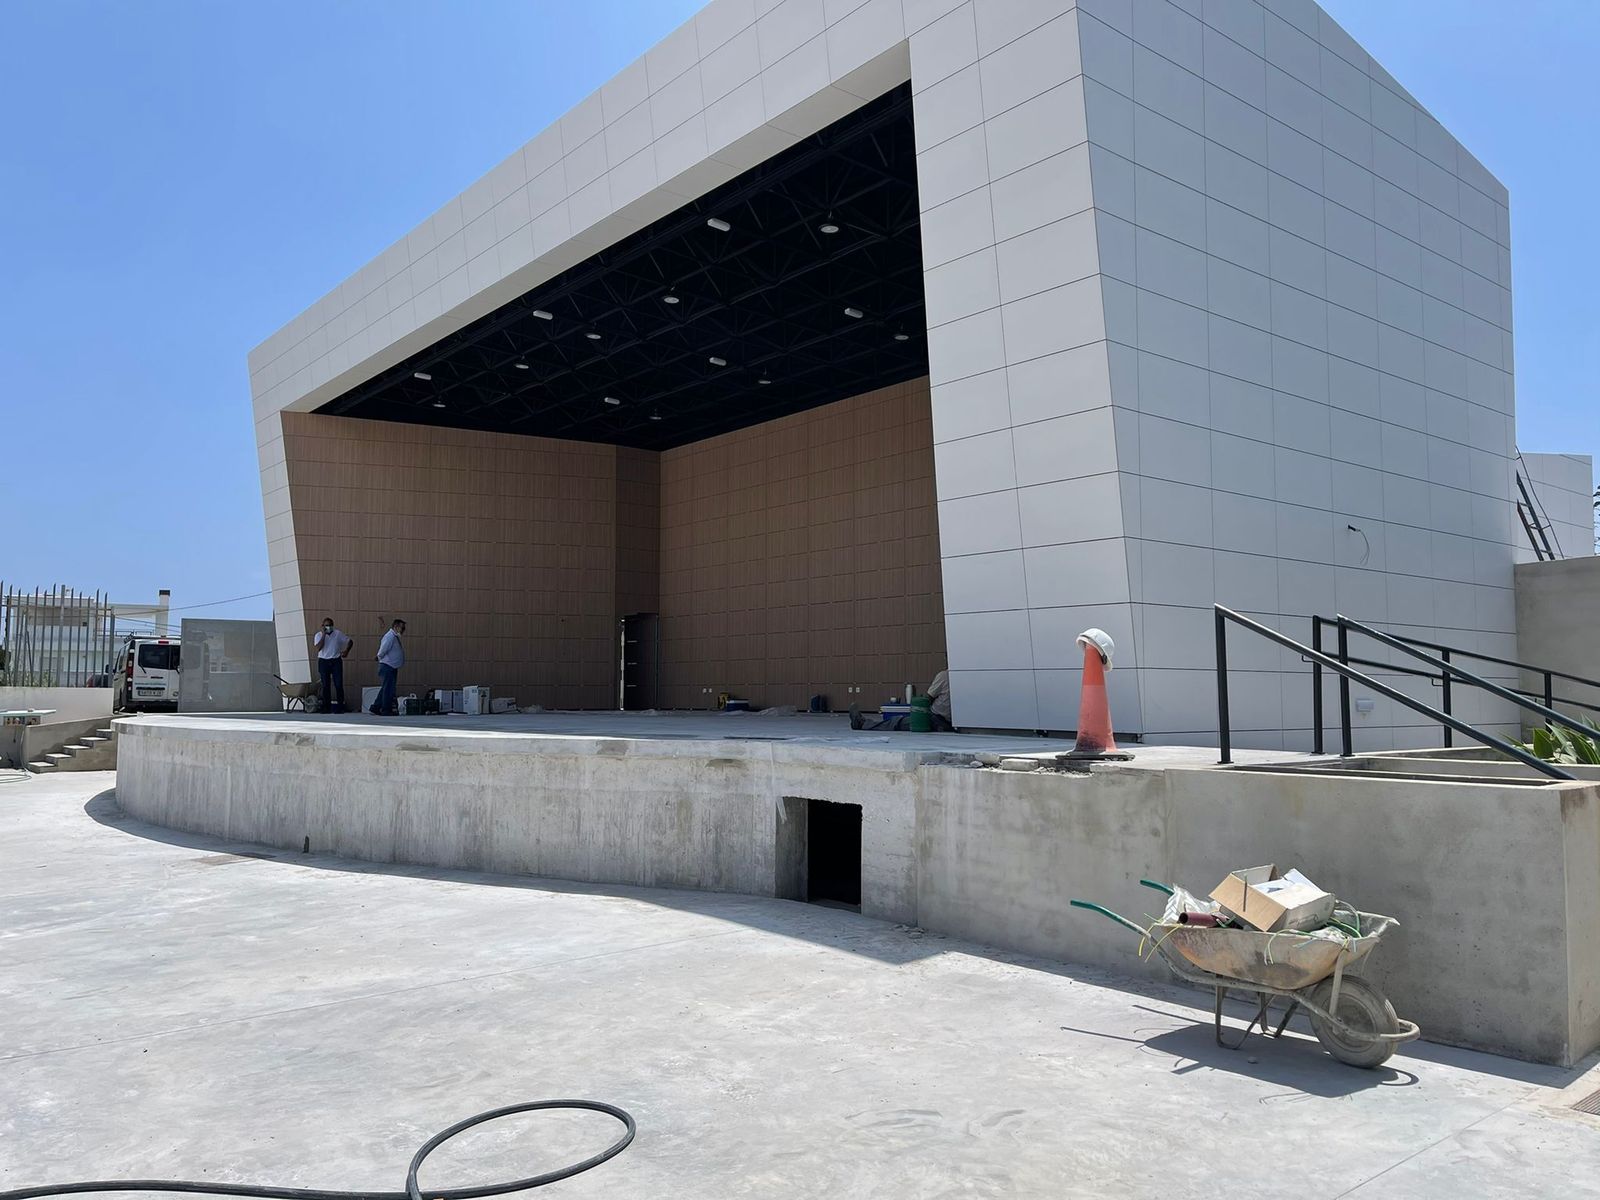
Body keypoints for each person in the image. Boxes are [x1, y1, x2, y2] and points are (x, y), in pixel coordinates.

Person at [849, 671, 956, 733]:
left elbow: (927, 700)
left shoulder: (944, 676)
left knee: (896, 722)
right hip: (948, 722)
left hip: (936, 720)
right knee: (900, 720)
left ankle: (862, 724)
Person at [312, 617, 353, 713]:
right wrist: (324, 635)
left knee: (338, 684)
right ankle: (326, 707)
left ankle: (340, 707)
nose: (329, 627)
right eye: (326, 625)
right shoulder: (318, 635)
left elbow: (350, 641)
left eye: (330, 625)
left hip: (336, 661)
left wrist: (346, 651)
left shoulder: (338, 633)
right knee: (325, 685)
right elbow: (318, 647)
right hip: (323, 661)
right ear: (323, 626)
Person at [370, 618, 405, 716]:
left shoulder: (394, 637)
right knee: (388, 689)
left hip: (391, 666)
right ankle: (386, 709)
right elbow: (383, 649)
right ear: (396, 627)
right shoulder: (389, 637)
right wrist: (378, 656)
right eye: (402, 628)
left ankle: (376, 707)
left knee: (386, 687)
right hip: (387, 666)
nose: (403, 630)